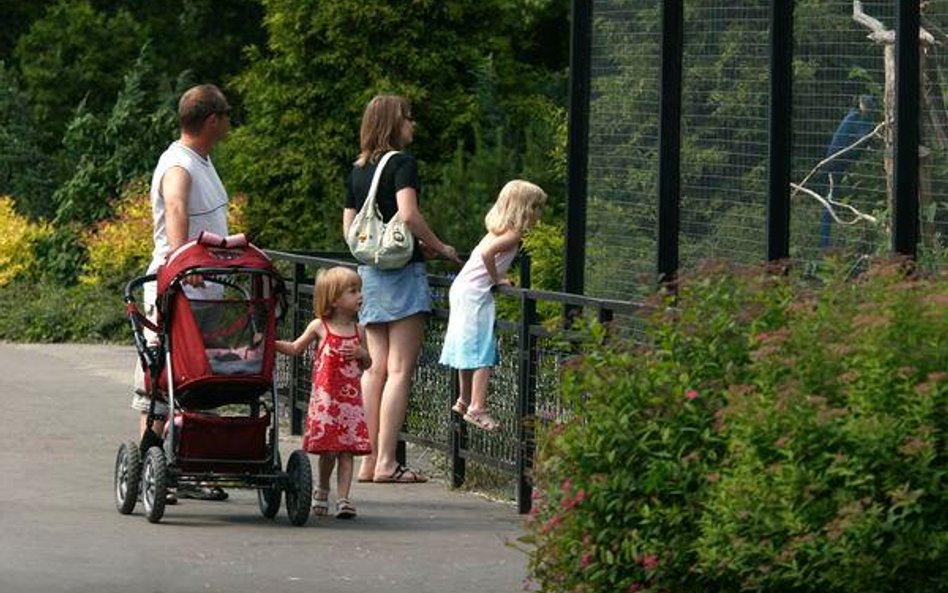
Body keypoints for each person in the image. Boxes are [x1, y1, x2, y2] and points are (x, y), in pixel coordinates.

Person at [343, 94, 461, 483]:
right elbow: (408, 214)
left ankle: (366, 459)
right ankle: (387, 464)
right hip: (404, 275)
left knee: (373, 369)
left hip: (371, 274)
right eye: (408, 118)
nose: (413, 125)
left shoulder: (357, 168)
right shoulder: (403, 164)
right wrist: (439, 247)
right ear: (395, 123)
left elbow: (349, 228)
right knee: (399, 370)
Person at [130, 83, 232, 503]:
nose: (229, 122)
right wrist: (182, 261)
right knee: (163, 378)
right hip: (182, 287)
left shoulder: (200, 161)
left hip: (202, 289)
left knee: (197, 380)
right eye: (226, 115)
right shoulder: (179, 164)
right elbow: (176, 207)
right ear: (212, 121)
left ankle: (186, 466)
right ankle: (155, 470)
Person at [439, 180, 546, 431]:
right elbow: (488, 255)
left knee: (467, 346)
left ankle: (463, 400)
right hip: (475, 294)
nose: (539, 214)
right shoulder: (512, 234)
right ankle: (478, 407)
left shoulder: (496, 230)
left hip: (462, 290)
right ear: (524, 209)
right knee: (482, 351)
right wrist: (496, 278)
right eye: (537, 207)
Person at [276, 267, 372, 519]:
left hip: (350, 402)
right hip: (326, 401)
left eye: (359, 289)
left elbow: (368, 363)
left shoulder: (359, 331)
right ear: (334, 299)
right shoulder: (320, 327)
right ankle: (322, 488)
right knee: (329, 450)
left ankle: (343, 499)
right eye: (353, 291)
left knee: (347, 450)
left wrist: (363, 355)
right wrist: (271, 343)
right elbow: (296, 347)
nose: (359, 295)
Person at [819, 94, 876, 248]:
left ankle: (826, 242)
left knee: (832, 199)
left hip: (839, 162)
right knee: (830, 201)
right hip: (836, 163)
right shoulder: (855, 118)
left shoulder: (858, 117)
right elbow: (863, 138)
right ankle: (824, 244)